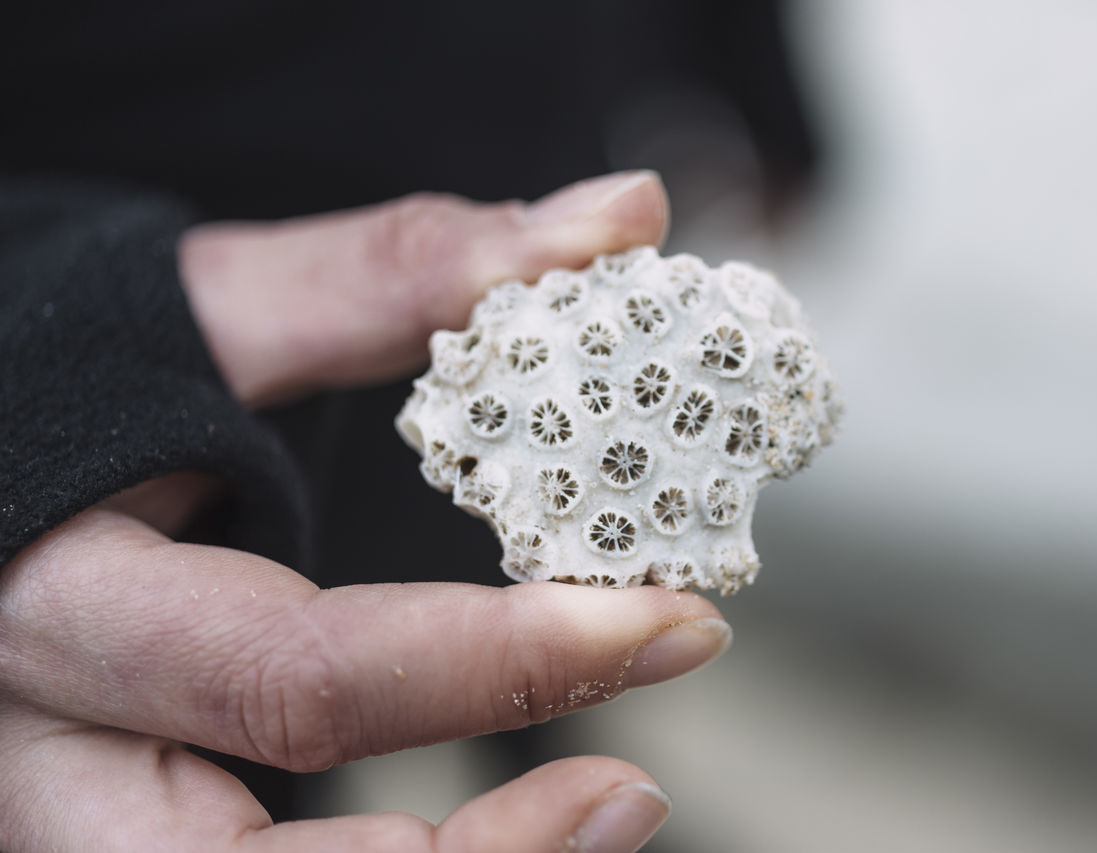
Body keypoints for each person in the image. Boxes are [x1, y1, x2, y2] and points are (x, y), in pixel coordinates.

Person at [1, 3, 817, 850]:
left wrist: (776, 113)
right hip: (175, 327)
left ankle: (540, 757)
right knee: (265, 681)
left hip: (534, 241)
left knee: (517, 616)